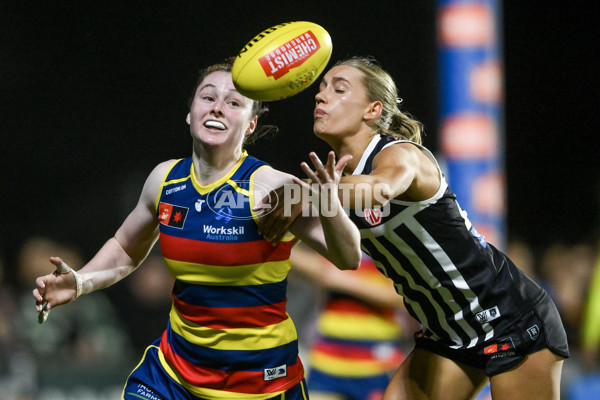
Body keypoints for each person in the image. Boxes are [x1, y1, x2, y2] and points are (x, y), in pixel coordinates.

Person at [32, 58, 362, 400]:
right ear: (190, 112)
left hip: (259, 383)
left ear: (251, 125)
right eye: (208, 97)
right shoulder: (165, 180)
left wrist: (331, 207)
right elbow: (127, 247)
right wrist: (82, 281)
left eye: (233, 102)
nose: (218, 108)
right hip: (174, 374)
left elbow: (348, 257)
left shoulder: (274, 187)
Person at [257, 56, 569, 400]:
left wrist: (309, 193)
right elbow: (342, 258)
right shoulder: (339, 184)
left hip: (511, 319)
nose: (321, 96)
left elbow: (380, 189)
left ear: (373, 110)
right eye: (321, 89)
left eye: (339, 88)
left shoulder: (401, 155)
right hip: (446, 334)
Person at [290, 242, 415, 400]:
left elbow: (403, 298)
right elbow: (310, 265)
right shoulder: (335, 239)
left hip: (376, 364)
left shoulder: (393, 246)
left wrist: (340, 279)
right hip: (326, 362)